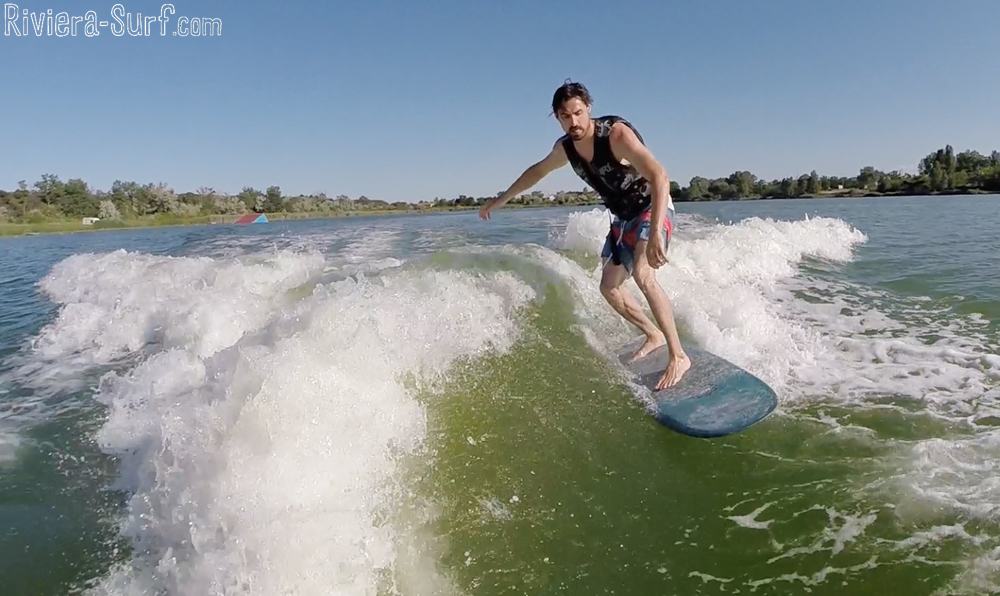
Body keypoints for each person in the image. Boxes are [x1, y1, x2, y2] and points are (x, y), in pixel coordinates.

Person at [479, 80, 691, 389]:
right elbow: (537, 171)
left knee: (644, 275)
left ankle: (679, 356)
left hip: (651, 207)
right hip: (623, 217)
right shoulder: (565, 148)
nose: (574, 122)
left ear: (588, 108)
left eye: (578, 113)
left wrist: (656, 231)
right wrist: (501, 200)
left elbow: (660, 176)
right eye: (565, 116)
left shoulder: (616, 135)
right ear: (557, 117)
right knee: (609, 287)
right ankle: (653, 334)